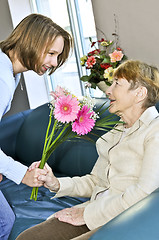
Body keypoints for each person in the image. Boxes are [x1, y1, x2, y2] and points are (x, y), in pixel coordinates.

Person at [16, 60, 159, 240]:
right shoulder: (118, 130)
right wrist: (56, 183)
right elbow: (95, 181)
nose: (108, 90)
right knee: (28, 238)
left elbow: (144, 193)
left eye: (117, 84)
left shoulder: (155, 131)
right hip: (94, 211)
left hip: (126, 221)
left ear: (140, 93)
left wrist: (87, 215)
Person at [0, 13, 73, 240]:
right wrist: (21, 174)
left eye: (57, 56)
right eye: (51, 53)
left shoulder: (12, 73)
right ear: (31, 40)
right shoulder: (2, 78)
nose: (53, 63)